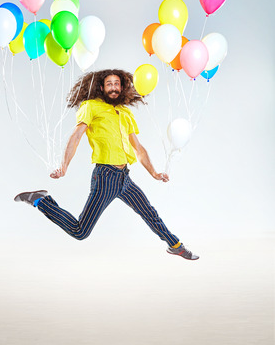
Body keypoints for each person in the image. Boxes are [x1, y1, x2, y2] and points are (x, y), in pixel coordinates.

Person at [15, 69, 199, 260]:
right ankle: (41, 201)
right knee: (80, 231)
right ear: (101, 87)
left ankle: (175, 245)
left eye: (117, 84)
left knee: (149, 213)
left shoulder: (125, 113)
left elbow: (139, 148)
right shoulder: (91, 106)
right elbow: (76, 136)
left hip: (124, 178)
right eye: (109, 84)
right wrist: (64, 167)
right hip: (105, 178)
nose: (114, 87)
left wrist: (155, 173)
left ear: (122, 87)